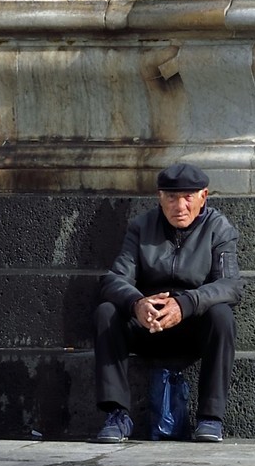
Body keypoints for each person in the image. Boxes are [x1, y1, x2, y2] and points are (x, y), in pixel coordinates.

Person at [93, 163, 242, 444]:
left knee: (222, 316)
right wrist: (137, 303)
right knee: (106, 312)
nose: (180, 206)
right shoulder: (141, 227)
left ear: (203, 196)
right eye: (171, 197)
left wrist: (186, 304)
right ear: (160, 197)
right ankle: (116, 415)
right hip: (148, 323)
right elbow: (114, 279)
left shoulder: (218, 228)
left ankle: (210, 418)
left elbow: (231, 286)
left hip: (192, 325)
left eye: (188, 197)